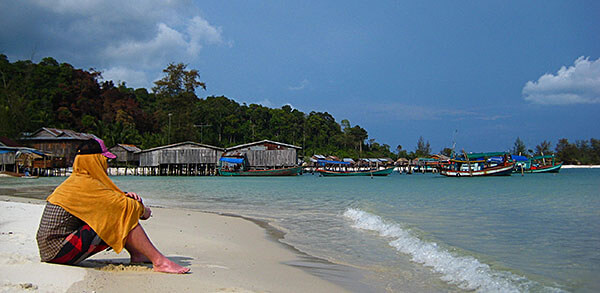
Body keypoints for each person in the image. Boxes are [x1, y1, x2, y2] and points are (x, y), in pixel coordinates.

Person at [36, 138, 189, 274]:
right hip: (57, 250)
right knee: (120, 213)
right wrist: (144, 211)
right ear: (95, 161)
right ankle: (159, 261)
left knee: (119, 210)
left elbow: (108, 201)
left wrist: (125, 197)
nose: (107, 164)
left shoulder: (79, 181)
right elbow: (121, 207)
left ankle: (138, 255)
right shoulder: (84, 184)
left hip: (53, 247)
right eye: (105, 160)